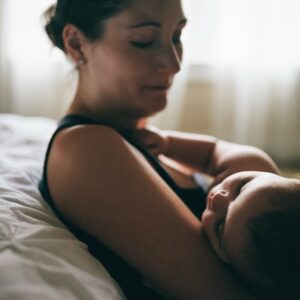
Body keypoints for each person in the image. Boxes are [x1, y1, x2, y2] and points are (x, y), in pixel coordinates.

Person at [39, 0, 285, 299]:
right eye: (143, 41)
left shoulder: (147, 143)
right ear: (76, 44)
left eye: (177, 36)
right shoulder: (84, 148)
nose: (174, 63)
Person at [132, 127, 300, 298]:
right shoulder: (254, 165)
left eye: (220, 226)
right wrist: (168, 143)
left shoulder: (225, 271)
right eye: (241, 187)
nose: (218, 199)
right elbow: (212, 152)